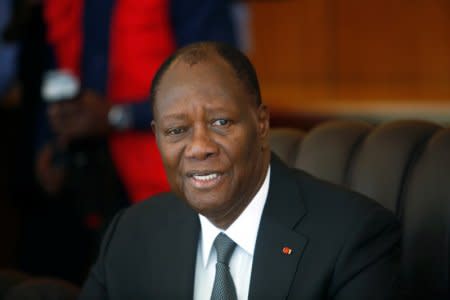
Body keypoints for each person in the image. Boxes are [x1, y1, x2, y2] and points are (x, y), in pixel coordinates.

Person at [78, 42, 401, 299]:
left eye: (221, 122)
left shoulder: (354, 236)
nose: (199, 146)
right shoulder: (131, 234)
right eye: (177, 130)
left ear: (261, 124)